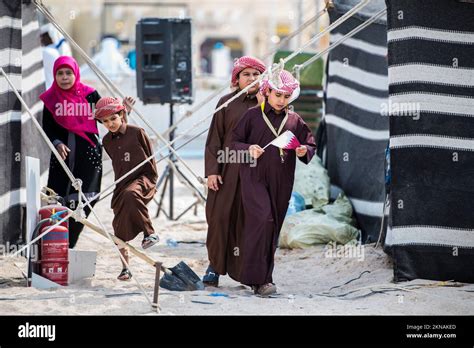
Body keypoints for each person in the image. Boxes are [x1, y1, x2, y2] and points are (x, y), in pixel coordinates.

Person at [232, 69, 317, 296]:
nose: (281, 100)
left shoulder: (295, 120)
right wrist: (248, 149)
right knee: (263, 219)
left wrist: (302, 150)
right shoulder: (252, 115)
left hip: (282, 180)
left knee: (273, 226)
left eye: (286, 96)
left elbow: (311, 145)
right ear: (267, 91)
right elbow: (233, 144)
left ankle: (263, 279)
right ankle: (257, 279)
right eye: (278, 95)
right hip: (253, 177)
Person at [203, 56, 266, 287]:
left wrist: (263, 106)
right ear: (236, 79)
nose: (251, 78)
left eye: (256, 74)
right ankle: (214, 266)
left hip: (255, 173)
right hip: (227, 170)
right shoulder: (225, 102)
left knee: (247, 222)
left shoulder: (271, 103)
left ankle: (248, 273)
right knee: (218, 218)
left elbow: (272, 135)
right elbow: (214, 141)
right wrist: (212, 171)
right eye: (246, 74)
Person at [40, 56, 103, 248]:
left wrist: (124, 110)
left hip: (89, 156)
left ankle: (71, 242)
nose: (65, 77)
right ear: (55, 75)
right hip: (62, 158)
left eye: (68, 73)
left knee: (87, 198)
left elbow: (108, 116)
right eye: (60, 73)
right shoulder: (51, 99)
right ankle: (57, 242)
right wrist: (57, 143)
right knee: (58, 198)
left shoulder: (91, 95)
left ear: (76, 73)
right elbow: (47, 127)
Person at [94, 97, 159, 281]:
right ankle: (125, 268)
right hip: (122, 183)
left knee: (132, 194)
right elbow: (121, 153)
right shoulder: (106, 141)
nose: (110, 124)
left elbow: (149, 158)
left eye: (113, 119)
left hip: (143, 178)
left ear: (122, 114)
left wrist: (150, 179)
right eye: (105, 121)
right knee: (118, 227)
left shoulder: (138, 132)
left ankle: (150, 233)